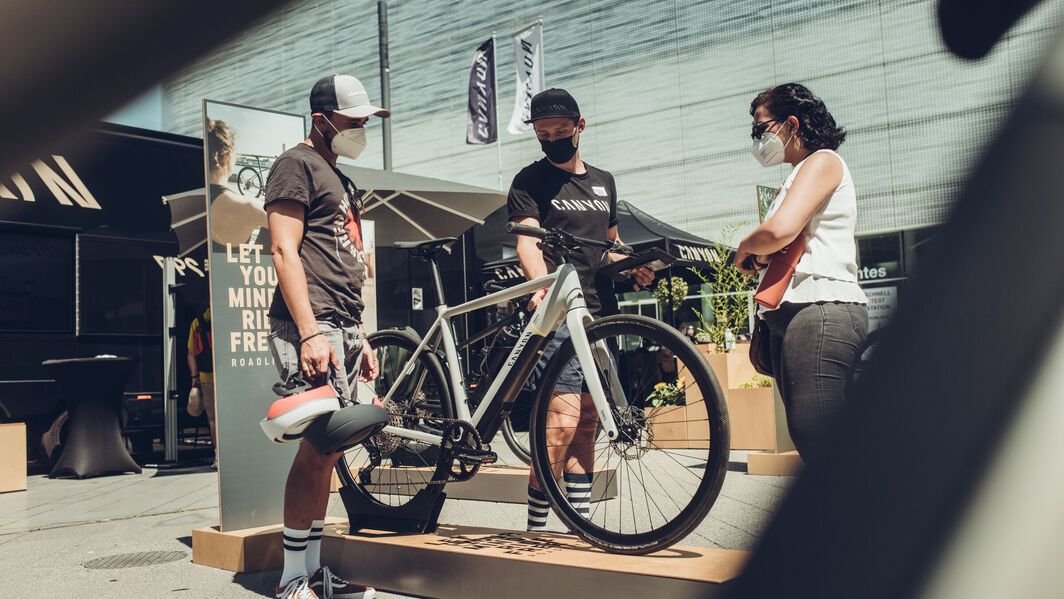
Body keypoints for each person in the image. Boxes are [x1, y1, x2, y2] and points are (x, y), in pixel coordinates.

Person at [507, 88, 653, 532]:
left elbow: (608, 247)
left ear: (579, 126)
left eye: (560, 131)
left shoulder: (604, 181)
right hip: (556, 311)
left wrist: (632, 267)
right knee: (562, 421)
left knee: (588, 422)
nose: (552, 139)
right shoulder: (528, 181)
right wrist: (541, 285)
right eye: (543, 134)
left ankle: (581, 522)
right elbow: (527, 239)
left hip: (597, 315)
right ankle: (536, 524)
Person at [264, 74, 385, 599]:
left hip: (344, 324)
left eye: (364, 122)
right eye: (354, 122)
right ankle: (293, 577)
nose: (361, 130)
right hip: (311, 325)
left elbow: (345, 260)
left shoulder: (339, 175)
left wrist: (360, 336)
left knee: (332, 451)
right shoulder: (295, 165)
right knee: (317, 448)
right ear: (322, 120)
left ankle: (313, 569)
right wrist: (312, 332)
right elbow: (284, 252)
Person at [735, 83, 869, 468]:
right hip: (792, 312)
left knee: (817, 427)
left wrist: (746, 247)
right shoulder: (799, 173)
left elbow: (779, 230)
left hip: (823, 307)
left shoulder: (823, 161)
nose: (758, 139)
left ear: (792, 124)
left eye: (762, 128)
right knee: (811, 431)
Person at [205, 119, 269, 247]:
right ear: (227, 156)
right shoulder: (249, 207)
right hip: (240, 267)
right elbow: (287, 226)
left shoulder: (191, 204)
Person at [186, 307, 216, 467]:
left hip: (207, 376)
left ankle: (218, 456)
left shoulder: (197, 321)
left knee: (213, 419)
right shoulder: (225, 316)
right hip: (226, 374)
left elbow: (191, 353)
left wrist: (194, 377)